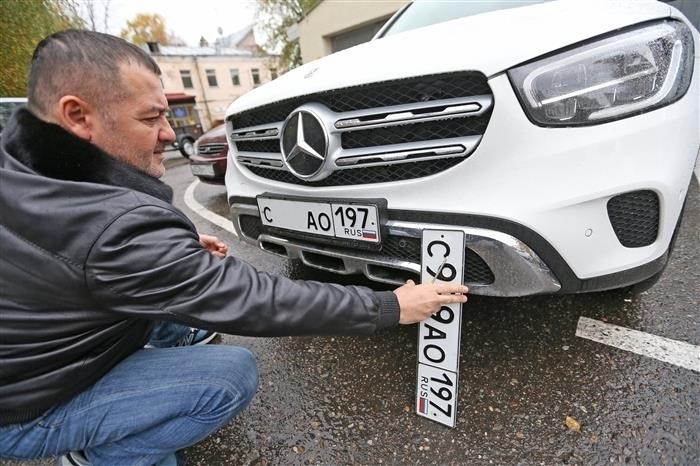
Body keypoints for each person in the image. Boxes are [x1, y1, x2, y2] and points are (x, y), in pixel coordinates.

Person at [0, 30, 468, 466]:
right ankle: (94, 456)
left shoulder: (19, 164)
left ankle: (154, 357)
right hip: (25, 407)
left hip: (26, 359)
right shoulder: (111, 231)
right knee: (228, 376)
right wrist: (392, 305)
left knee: (177, 292)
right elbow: (258, 299)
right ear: (77, 116)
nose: (169, 132)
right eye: (150, 117)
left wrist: (171, 251)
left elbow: (76, 257)